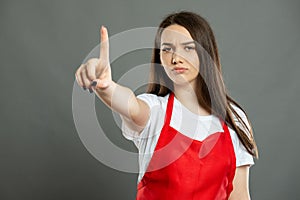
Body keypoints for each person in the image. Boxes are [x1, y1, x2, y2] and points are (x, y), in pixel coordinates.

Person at [75, 11, 258, 200]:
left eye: (188, 48)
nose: (175, 58)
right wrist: (107, 87)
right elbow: (131, 106)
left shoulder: (233, 118)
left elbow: (239, 195)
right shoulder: (155, 111)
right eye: (167, 49)